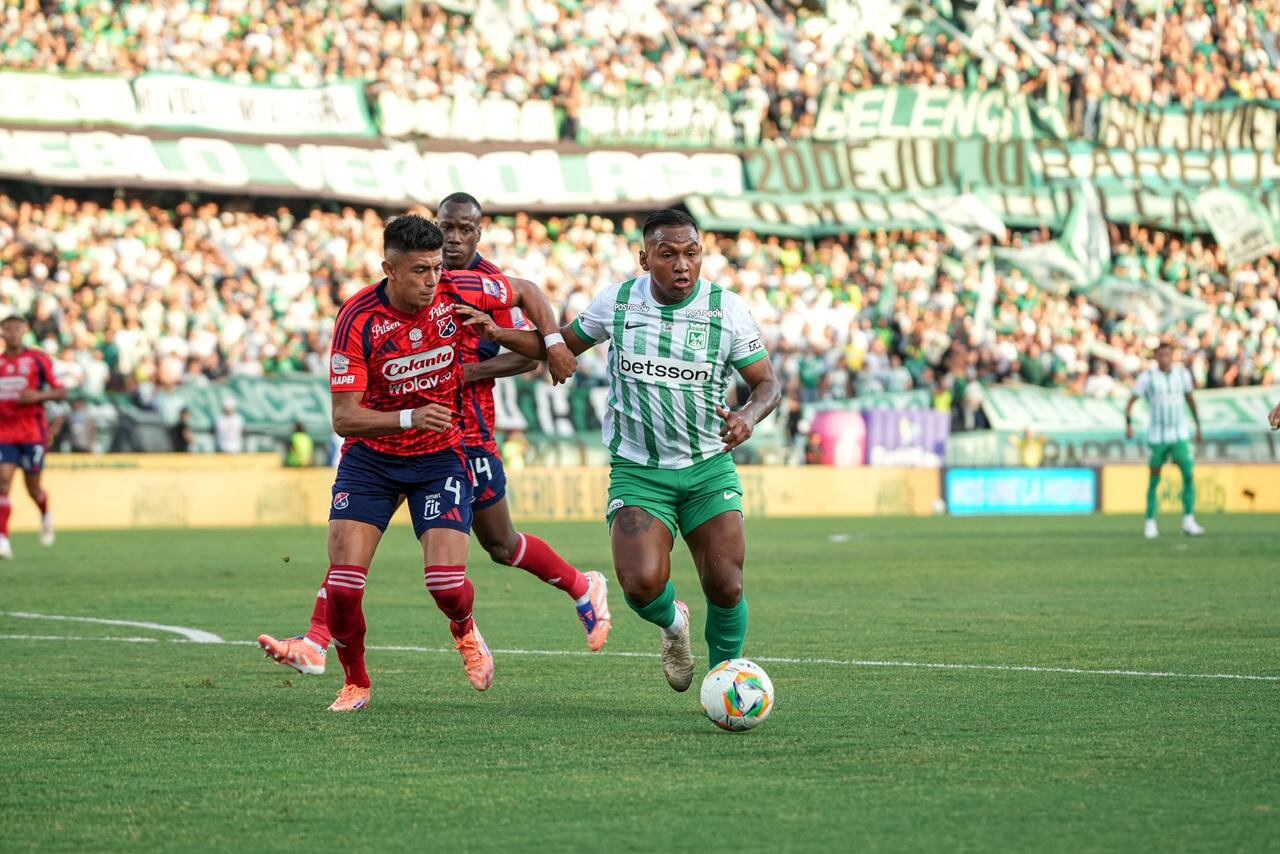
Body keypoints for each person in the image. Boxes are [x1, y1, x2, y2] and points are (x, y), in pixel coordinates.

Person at [259, 193, 611, 682]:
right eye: (447, 227)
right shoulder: (384, 301)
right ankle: (318, 642)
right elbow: (348, 411)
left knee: (501, 544)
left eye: (465, 229)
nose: (454, 238)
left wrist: (503, 359)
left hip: (469, 432)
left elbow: (525, 348)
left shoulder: (479, 283)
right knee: (352, 548)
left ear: (479, 232)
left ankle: (581, 584)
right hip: (400, 434)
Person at [460, 208, 781, 693]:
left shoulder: (727, 310)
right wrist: (502, 334)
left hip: (707, 469)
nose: (682, 265)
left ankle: (725, 682)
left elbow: (767, 385)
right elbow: (561, 345)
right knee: (640, 586)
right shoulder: (619, 302)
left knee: (727, 584)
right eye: (667, 254)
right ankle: (674, 625)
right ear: (644, 258)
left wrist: (747, 416)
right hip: (638, 472)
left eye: (691, 253)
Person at [0, 314, 67, 558]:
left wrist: (37, 397)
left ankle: (45, 512)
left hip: (32, 433)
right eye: (8, 329)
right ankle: (3, 538)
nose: (13, 333)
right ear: (3, 333)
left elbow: (62, 391)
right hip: (4, 433)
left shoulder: (38, 360)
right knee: (3, 481)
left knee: (33, 488)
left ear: (25, 331)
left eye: (18, 328)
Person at [1125, 342, 1205, 539]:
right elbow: (1131, 401)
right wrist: (1128, 424)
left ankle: (1189, 520)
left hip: (1179, 435)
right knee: (1154, 480)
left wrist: (1198, 426)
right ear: (1156, 357)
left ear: (1173, 356)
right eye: (1161, 355)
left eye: (1168, 355)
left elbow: (1190, 399)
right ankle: (1150, 522)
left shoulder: (1182, 375)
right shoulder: (1147, 377)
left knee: (1188, 475)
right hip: (1157, 437)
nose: (1164, 358)